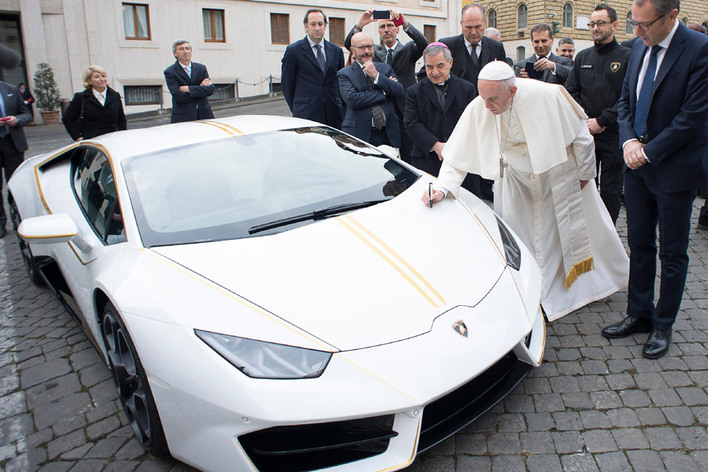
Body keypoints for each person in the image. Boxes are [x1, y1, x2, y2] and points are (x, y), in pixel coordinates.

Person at [424, 61, 628, 321]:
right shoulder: (482, 104)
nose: (487, 107)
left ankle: (579, 288)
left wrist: (585, 175)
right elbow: (456, 154)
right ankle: (531, 289)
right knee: (520, 236)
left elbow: (582, 138)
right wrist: (443, 187)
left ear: (512, 91)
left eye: (493, 99)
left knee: (560, 236)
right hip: (516, 180)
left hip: (556, 174)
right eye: (483, 98)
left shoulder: (549, 96)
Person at [602, 0, 708, 359]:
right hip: (637, 169)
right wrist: (630, 140)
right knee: (640, 245)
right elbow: (626, 102)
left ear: (672, 16)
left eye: (645, 24)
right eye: (634, 22)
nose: (637, 31)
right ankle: (639, 313)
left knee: (673, 252)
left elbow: (692, 117)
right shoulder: (638, 49)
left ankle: (663, 324)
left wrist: (648, 151)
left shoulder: (698, 50)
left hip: (675, 171)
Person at [565, 4, 630, 224]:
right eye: (592, 24)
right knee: (584, 185)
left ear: (614, 25)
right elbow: (571, 92)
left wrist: (602, 120)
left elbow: (627, 98)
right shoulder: (582, 57)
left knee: (611, 191)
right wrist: (587, 120)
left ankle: (608, 232)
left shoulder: (627, 57)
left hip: (613, 135)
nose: (595, 28)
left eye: (601, 23)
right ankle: (587, 229)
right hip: (585, 134)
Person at [439, 3, 506, 200]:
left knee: (488, 151)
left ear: (485, 23)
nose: (474, 32)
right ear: (461, 24)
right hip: (456, 114)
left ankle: (486, 189)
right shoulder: (447, 45)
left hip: (489, 112)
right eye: (468, 27)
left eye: (478, 26)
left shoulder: (496, 47)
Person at [344, 9, 428, 163]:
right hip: (382, 107)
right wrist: (360, 24)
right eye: (382, 27)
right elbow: (351, 44)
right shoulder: (373, 50)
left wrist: (404, 23)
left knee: (408, 151)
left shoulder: (409, 48)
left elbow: (424, 44)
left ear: (396, 29)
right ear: (378, 31)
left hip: (405, 106)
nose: (386, 30)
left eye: (390, 25)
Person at [404, 43, 476, 177]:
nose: (435, 72)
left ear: (450, 62)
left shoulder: (467, 89)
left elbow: (472, 123)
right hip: (426, 160)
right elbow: (411, 123)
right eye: (429, 67)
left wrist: (453, 147)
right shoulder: (414, 91)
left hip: (461, 158)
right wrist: (436, 145)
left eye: (440, 66)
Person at [338, 32, 404, 148]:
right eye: (362, 47)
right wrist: (383, 92)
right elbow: (353, 100)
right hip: (359, 135)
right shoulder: (344, 74)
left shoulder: (385, 69)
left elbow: (399, 91)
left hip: (387, 134)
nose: (367, 51)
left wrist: (376, 75)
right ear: (353, 50)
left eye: (369, 46)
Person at [281, 9, 344, 129]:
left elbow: (340, 82)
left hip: (333, 114)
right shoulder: (293, 51)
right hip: (306, 114)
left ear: (325, 26)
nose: (317, 28)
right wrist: (297, 109)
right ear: (306, 26)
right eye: (313, 24)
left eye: (320, 24)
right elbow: (287, 85)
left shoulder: (336, 51)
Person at [0, 80, 32, 238]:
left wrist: (17, 120)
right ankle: (1, 222)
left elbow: (27, 114)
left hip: (13, 144)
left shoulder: (10, 89)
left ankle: (18, 218)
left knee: (15, 183)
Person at [63, 66, 127, 141]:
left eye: (103, 76)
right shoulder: (81, 97)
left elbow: (121, 118)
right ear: (89, 81)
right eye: (97, 77)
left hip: (113, 138)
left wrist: (122, 135)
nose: (102, 79)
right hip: (92, 141)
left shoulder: (115, 95)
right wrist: (77, 137)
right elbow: (67, 118)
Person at [164, 40, 214, 123]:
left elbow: (210, 90)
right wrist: (200, 89)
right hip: (183, 117)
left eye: (187, 48)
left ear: (191, 51)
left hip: (205, 115)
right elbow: (179, 96)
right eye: (181, 49)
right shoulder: (170, 72)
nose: (185, 51)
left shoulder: (201, 68)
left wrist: (188, 89)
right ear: (175, 53)